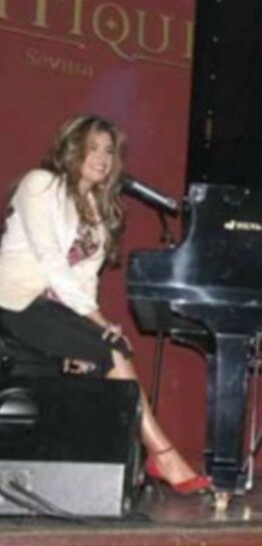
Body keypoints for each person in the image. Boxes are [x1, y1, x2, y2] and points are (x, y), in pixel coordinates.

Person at [0, 114, 210, 495]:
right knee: (111, 350)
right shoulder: (40, 184)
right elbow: (52, 262)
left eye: (109, 151)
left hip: (53, 309)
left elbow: (84, 279)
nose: (102, 157)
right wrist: (95, 324)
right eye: (92, 148)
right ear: (71, 148)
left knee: (114, 344)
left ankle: (154, 455)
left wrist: (101, 322)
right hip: (15, 302)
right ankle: (162, 453)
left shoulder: (98, 211)